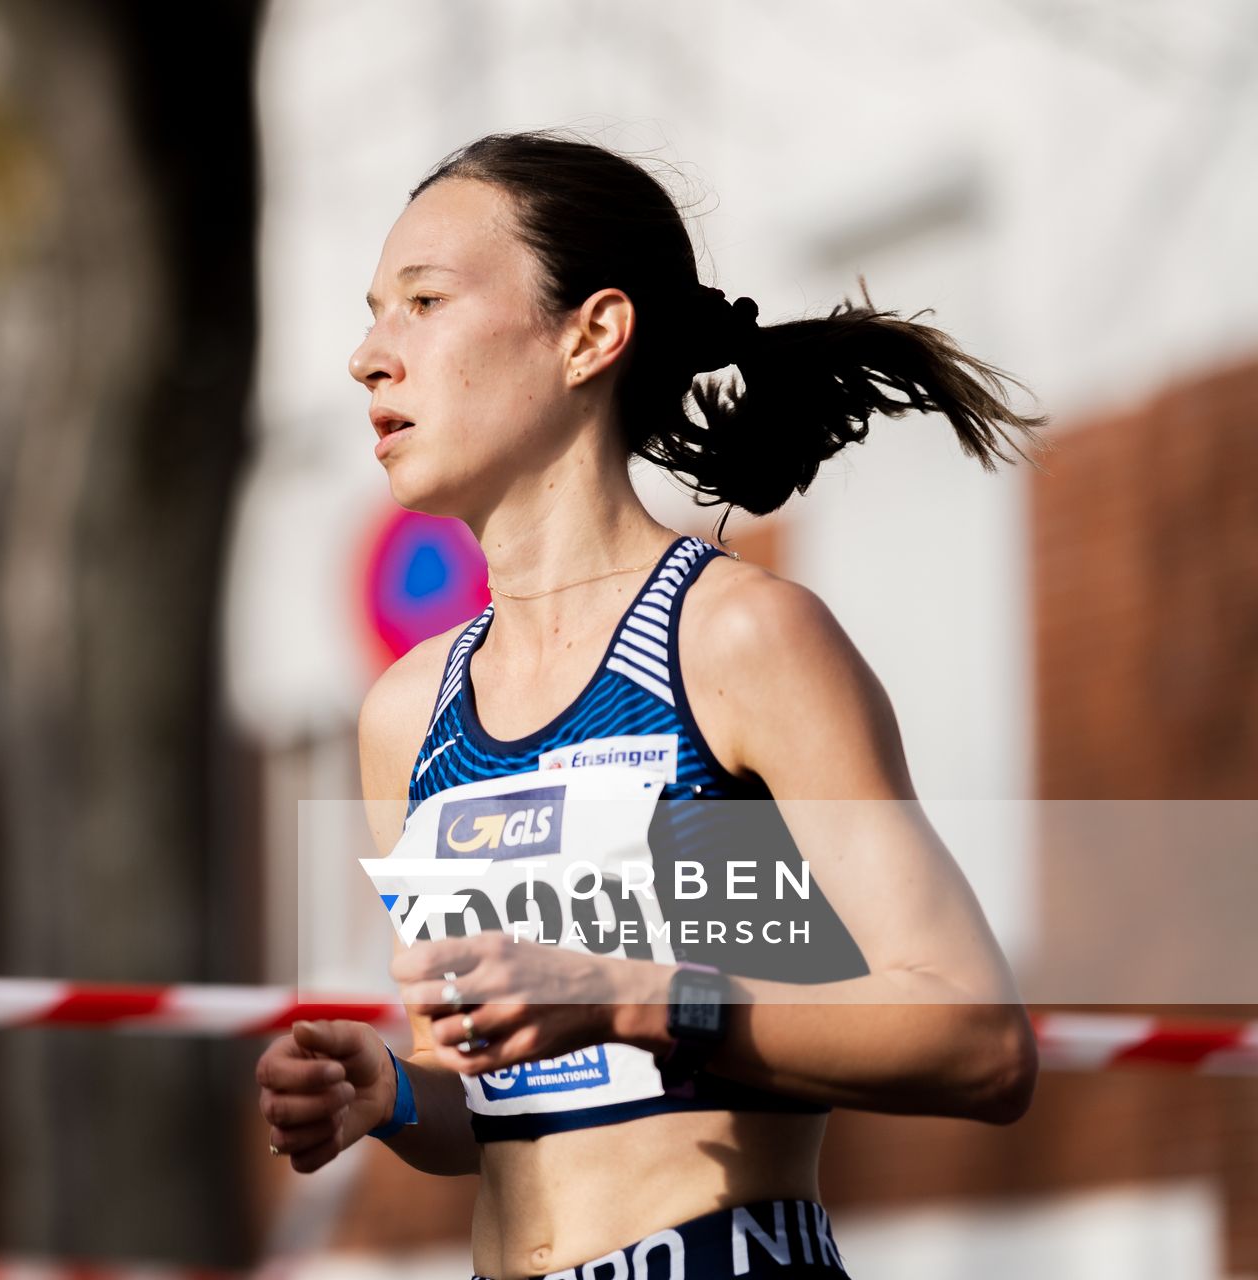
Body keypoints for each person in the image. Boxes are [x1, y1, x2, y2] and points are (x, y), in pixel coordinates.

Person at [253, 129, 1047, 1280]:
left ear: (592, 333)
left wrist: (633, 992)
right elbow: (494, 1107)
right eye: (374, 310)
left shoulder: (737, 641)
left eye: (423, 301)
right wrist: (388, 1092)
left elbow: (976, 1041)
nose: (369, 356)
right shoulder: (406, 713)